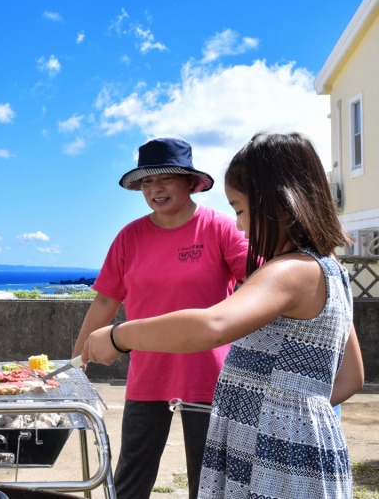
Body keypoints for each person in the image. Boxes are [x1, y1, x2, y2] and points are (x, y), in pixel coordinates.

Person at [81, 132, 365, 498]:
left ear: (279, 206)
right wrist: (286, 417)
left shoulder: (287, 273)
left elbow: (213, 325)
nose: (240, 226)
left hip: (275, 466)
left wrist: (119, 336)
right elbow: (351, 376)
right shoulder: (330, 270)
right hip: (300, 454)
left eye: (241, 210)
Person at [72, 137, 249, 499]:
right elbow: (106, 301)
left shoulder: (219, 228)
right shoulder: (129, 237)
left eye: (165, 179)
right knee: (131, 479)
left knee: (210, 481)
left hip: (210, 374)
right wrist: (78, 359)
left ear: (189, 182)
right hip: (148, 372)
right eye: (147, 182)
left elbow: (259, 283)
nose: (155, 189)